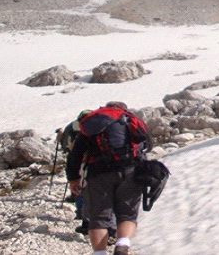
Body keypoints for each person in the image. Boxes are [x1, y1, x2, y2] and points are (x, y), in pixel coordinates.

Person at [66, 101, 151, 255]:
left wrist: (73, 179)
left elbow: (75, 154)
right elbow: (147, 145)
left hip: (98, 174)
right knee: (127, 215)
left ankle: (100, 252)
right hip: (130, 171)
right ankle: (122, 245)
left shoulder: (93, 122)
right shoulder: (129, 120)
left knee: (98, 218)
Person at [57, 110, 93, 234]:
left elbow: (66, 145)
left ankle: (82, 216)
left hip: (79, 161)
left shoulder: (72, 127)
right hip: (97, 164)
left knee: (81, 190)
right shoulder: (100, 126)